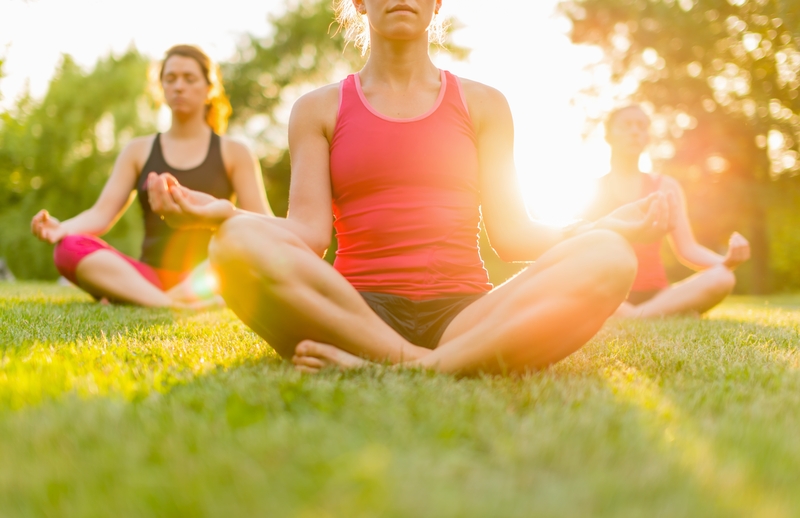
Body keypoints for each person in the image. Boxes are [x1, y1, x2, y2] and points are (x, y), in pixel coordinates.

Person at [147, 0, 671, 375]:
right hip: (354, 312)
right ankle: (430, 363)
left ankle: (410, 365)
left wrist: (601, 225)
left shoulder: (485, 104)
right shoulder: (317, 109)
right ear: (358, 2)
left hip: (464, 315)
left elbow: (513, 234)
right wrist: (223, 214)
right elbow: (307, 235)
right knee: (233, 243)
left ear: (437, 2)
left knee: (610, 254)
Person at [31, 45, 272, 308]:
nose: (178, 86)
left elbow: (261, 223)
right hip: (148, 278)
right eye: (170, 79)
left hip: (211, 274)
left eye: (189, 79)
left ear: (209, 88)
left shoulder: (235, 152)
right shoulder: (137, 150)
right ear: (161, 87)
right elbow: (101, 214)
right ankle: (171, 303)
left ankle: (143, 298)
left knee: (246, 249)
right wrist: (62, 228)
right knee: (68, 248)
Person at [585, 105, 750, 318]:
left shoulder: (666, 186)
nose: (635, 131)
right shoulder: (592, 191)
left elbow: (688, 249)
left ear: (647, 137)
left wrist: (726, 262)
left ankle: (636, 315)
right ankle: (652, 314)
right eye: (626, 125)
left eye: (641, 126)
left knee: (723, 277)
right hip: (609, 292)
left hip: (659, 295)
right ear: (608, 136)